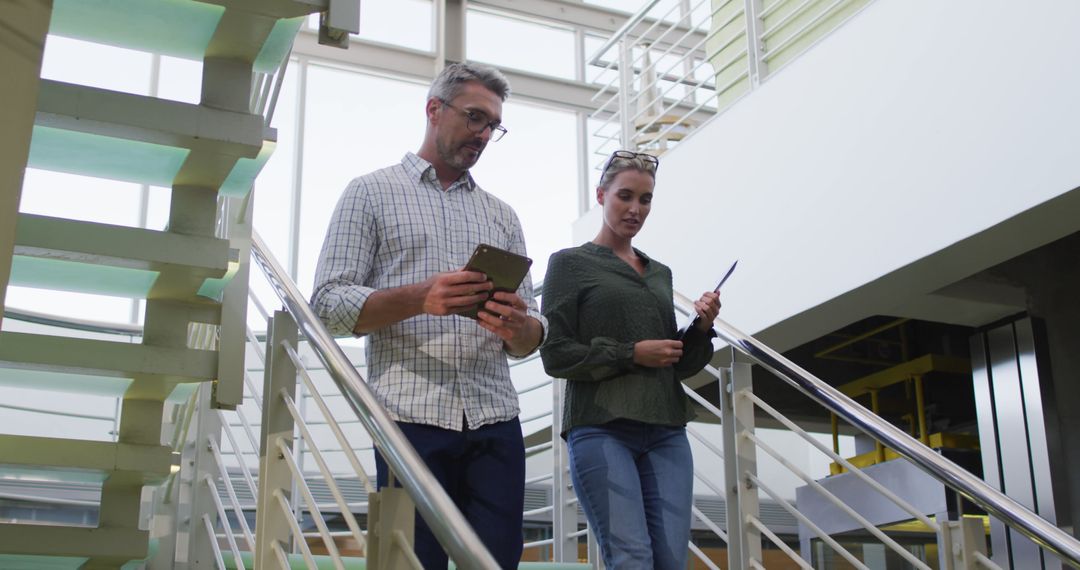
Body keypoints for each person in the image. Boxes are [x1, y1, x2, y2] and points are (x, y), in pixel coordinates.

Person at [310, 62, 546, 569]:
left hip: (495, 417)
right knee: (414, 563)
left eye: (493, 127)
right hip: (409, 420)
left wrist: (519, 326)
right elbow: (327, 306)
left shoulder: (503, 215)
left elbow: (530, 338)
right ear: (434, 110)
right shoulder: (368, 193)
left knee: (497, 563)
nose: (483, 135)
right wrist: (421, 297)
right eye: (475, 118)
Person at [539, 150, 721, 569]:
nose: (635, 209)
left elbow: (680, 364)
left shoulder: (659, 273)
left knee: (671, 560)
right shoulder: (569, 264)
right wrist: (630, 353)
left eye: (646, 199)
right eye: (625, 196)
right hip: (602, 428)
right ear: (601, 195)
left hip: (666, 429)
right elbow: (555, 354)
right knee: (631, 557)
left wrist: (700, 329)